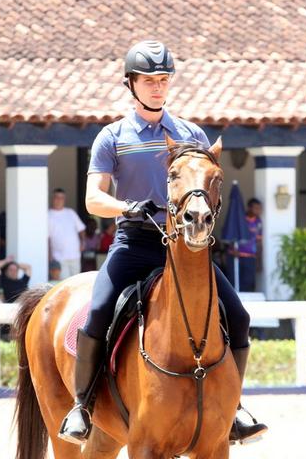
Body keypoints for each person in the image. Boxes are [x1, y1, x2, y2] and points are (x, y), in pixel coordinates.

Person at [58, 40, 265, 445]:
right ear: (130, 84)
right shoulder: (112, 137)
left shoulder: (190, 133)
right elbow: (92, 199)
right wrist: (129, 206)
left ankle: (233, 408)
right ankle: (82, 406)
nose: (157, 87)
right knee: (97, 311)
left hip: (186, 250)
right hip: (135, 246)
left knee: (237, 314)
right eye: (149, 80)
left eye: (163, 79)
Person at [226, 198, 263, 292]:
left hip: (250, 257)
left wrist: (259, 260)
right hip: (235, 256)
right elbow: (230, 234)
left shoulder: (258, 222)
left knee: (248, 282)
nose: (258, 211)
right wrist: (232, 248)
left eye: (259, 208)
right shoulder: (239, 219)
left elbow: (258, 242)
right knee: (233, 282)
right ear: (249, 208)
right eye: (256, 208)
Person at [48, 188, 86, 279]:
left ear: (64, 200)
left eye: (61, 198)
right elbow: (47, 238)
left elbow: (81, 229)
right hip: (59, 257)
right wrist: (49, 255)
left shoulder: (70, 213)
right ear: (53, 198)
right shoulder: (48, 215)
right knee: (64, 284)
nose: (59, 200)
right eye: (57, 197)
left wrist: (83, 242)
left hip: (75, 255)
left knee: (76, 283)